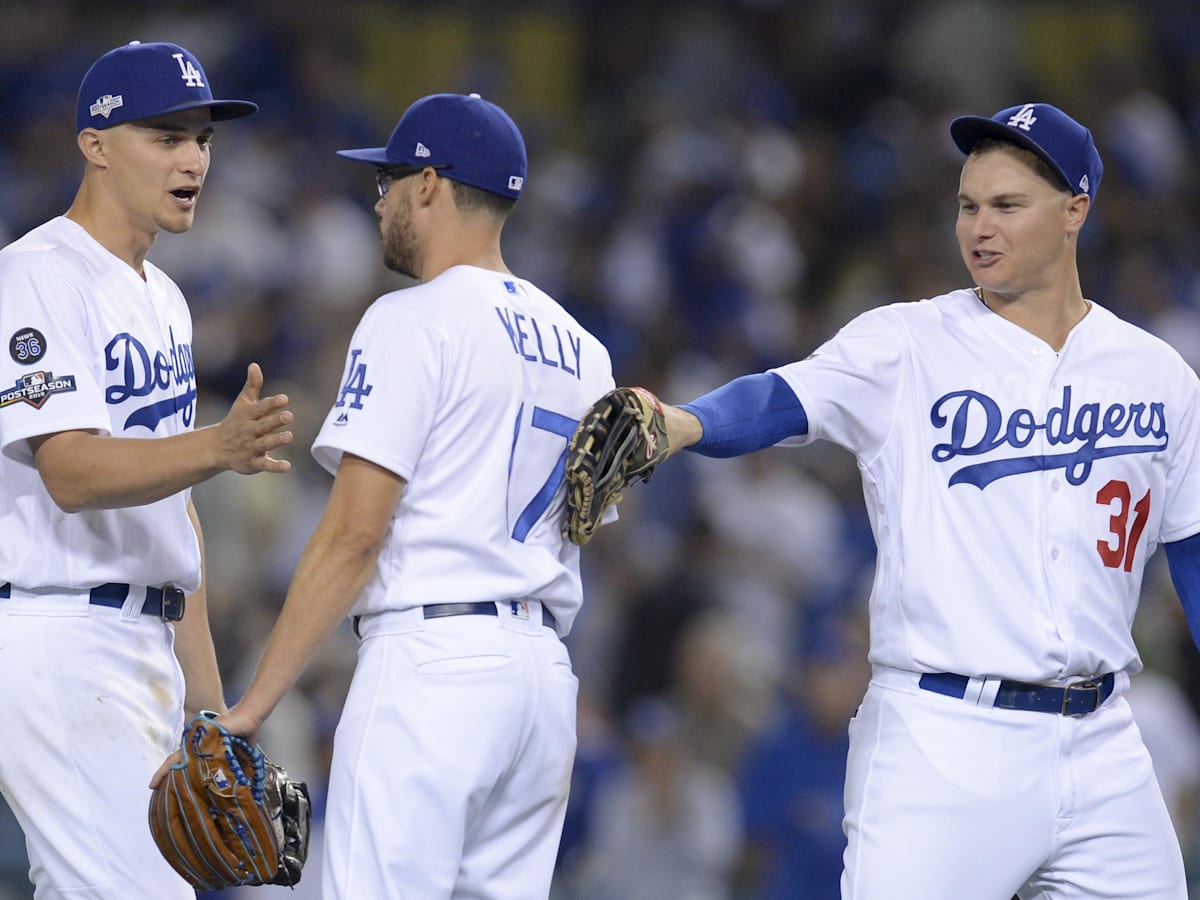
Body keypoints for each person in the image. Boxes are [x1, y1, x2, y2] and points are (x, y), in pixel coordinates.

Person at [596, 103, 1200, 899]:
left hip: (1103, 740)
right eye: (968, 205)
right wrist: (683, 423)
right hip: (944, 737)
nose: (980, 227)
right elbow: (783, 397)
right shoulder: (907, 341)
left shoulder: (1158, 375)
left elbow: (1193, 556)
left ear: (1075, 211)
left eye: (1007, 205)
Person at [199, 93, 616, 899]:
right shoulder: (586, 350)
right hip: (541, 681)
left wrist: (254, 704)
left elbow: (355, 536)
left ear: (428, 183)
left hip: (434, 666)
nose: (379, 201)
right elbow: (587, 520)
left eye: (387, 181)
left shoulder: (413, 318)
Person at [0, 40, 293, 899]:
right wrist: (217, 446)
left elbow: (174, 518)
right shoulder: (36, 275)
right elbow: (71, 471)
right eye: (166, 137)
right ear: (94, 144)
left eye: (202, 139)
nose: (193, 159)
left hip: (143, 642)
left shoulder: (163, 298)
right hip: (59, 632)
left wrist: (209, 710)